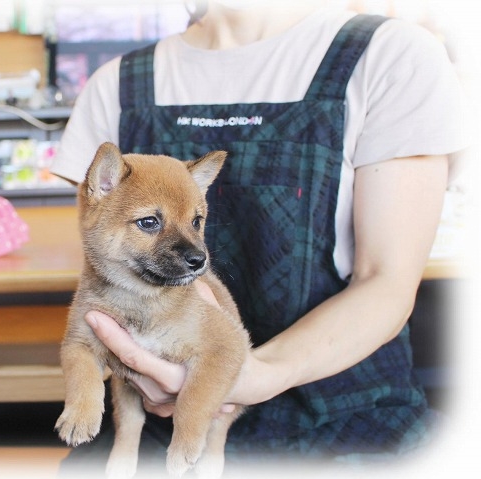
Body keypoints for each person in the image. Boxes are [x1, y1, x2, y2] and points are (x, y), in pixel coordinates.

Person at [50, 0, 469, 474]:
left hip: (345, 418)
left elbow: (387, 282)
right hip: (154, 424)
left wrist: (252, 375)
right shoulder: (114, 85)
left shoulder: (391, 55)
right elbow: (104, 258)